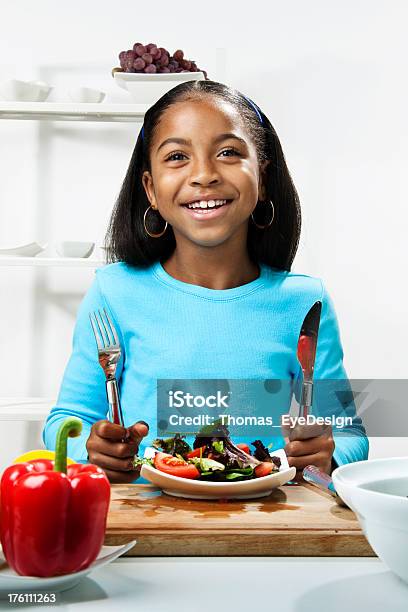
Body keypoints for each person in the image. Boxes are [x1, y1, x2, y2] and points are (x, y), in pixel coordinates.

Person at [43, 80, 368, 483]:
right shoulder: (113, 292)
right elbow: (65, 419)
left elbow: (350, 434)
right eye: (177, 156)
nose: (204, 175)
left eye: (228, 152)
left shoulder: (304, 300)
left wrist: (327, 448)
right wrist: (89, 448)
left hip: (264, 520)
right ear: (151, 189)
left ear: (262, 177)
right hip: (149, 520)